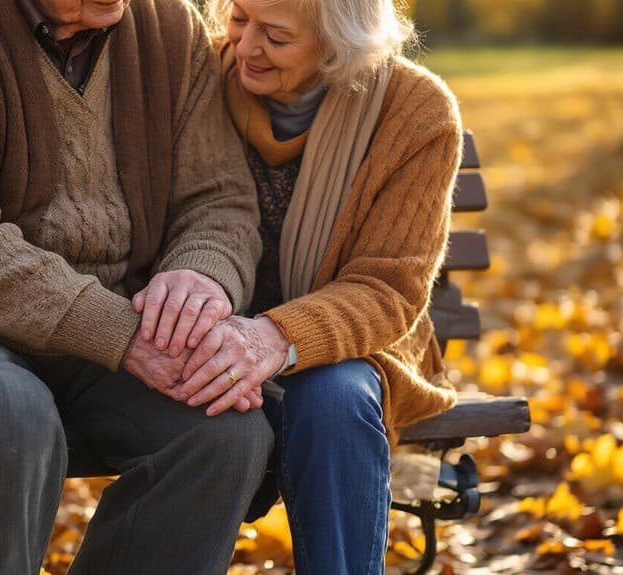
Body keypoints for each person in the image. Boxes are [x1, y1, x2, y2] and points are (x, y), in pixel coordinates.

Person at [0, 0, 274, 573]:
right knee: (7, 414)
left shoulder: (171, 26)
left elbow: (218, 198)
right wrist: (120, 333)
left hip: (111, 333)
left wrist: (200, 277)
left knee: (224, 432)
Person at [151, 0, 464, 572]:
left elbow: (389, 287)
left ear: (338, 46)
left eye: (275, 35)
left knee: (335, 398)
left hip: (351, 344)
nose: (244, 47)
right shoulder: (200, 79)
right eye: (239, 19)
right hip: (203, 336)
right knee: (204, 399)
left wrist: (274, 336)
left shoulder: (414, 111)